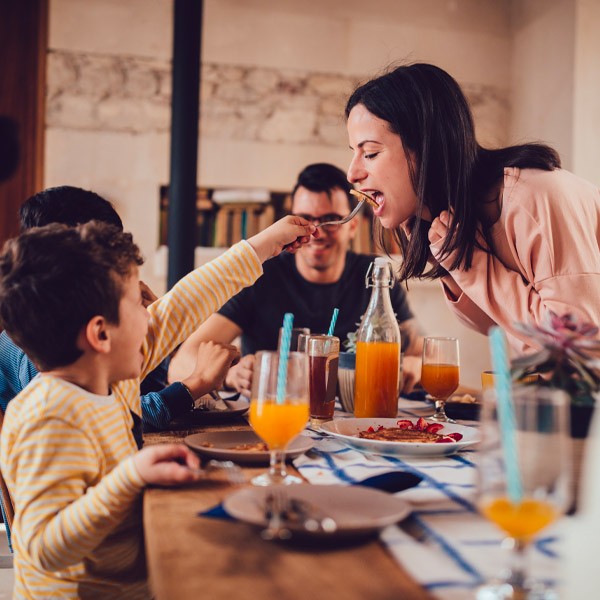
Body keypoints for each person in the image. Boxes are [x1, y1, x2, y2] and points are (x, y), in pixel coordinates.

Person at [0, 215, 315, 597]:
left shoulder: (111, 375)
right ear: (101, 334)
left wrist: (264, 245)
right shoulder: (50, 417)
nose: (151, 316)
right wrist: (131, 476)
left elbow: (183, 305)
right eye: (138, 303)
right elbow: (44, 547)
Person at [345, 62, 600, 354]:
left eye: (370, 153)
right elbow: (497, 326)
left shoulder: (534, 198)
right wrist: (453, 267)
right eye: (354, 153)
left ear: (426, 146)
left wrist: (471, 265)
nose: (352, 173)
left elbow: (579, 347)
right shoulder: (452, 222)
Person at [168, 163, 424, 397]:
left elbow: (421, 352)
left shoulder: (376, 276)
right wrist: (231, 375)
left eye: (330, 220)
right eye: (306, 220)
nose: (316, 232)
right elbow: (180, 364)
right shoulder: (260, 276)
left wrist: (415, 364)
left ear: (353, 226)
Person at [0, 186, 239, 434]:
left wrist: (151, 331)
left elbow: (140, 383)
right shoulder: (39, 348)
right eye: (110, 259)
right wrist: (193, 385)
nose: (122, 268)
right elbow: (111, 415)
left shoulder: (97, 322)